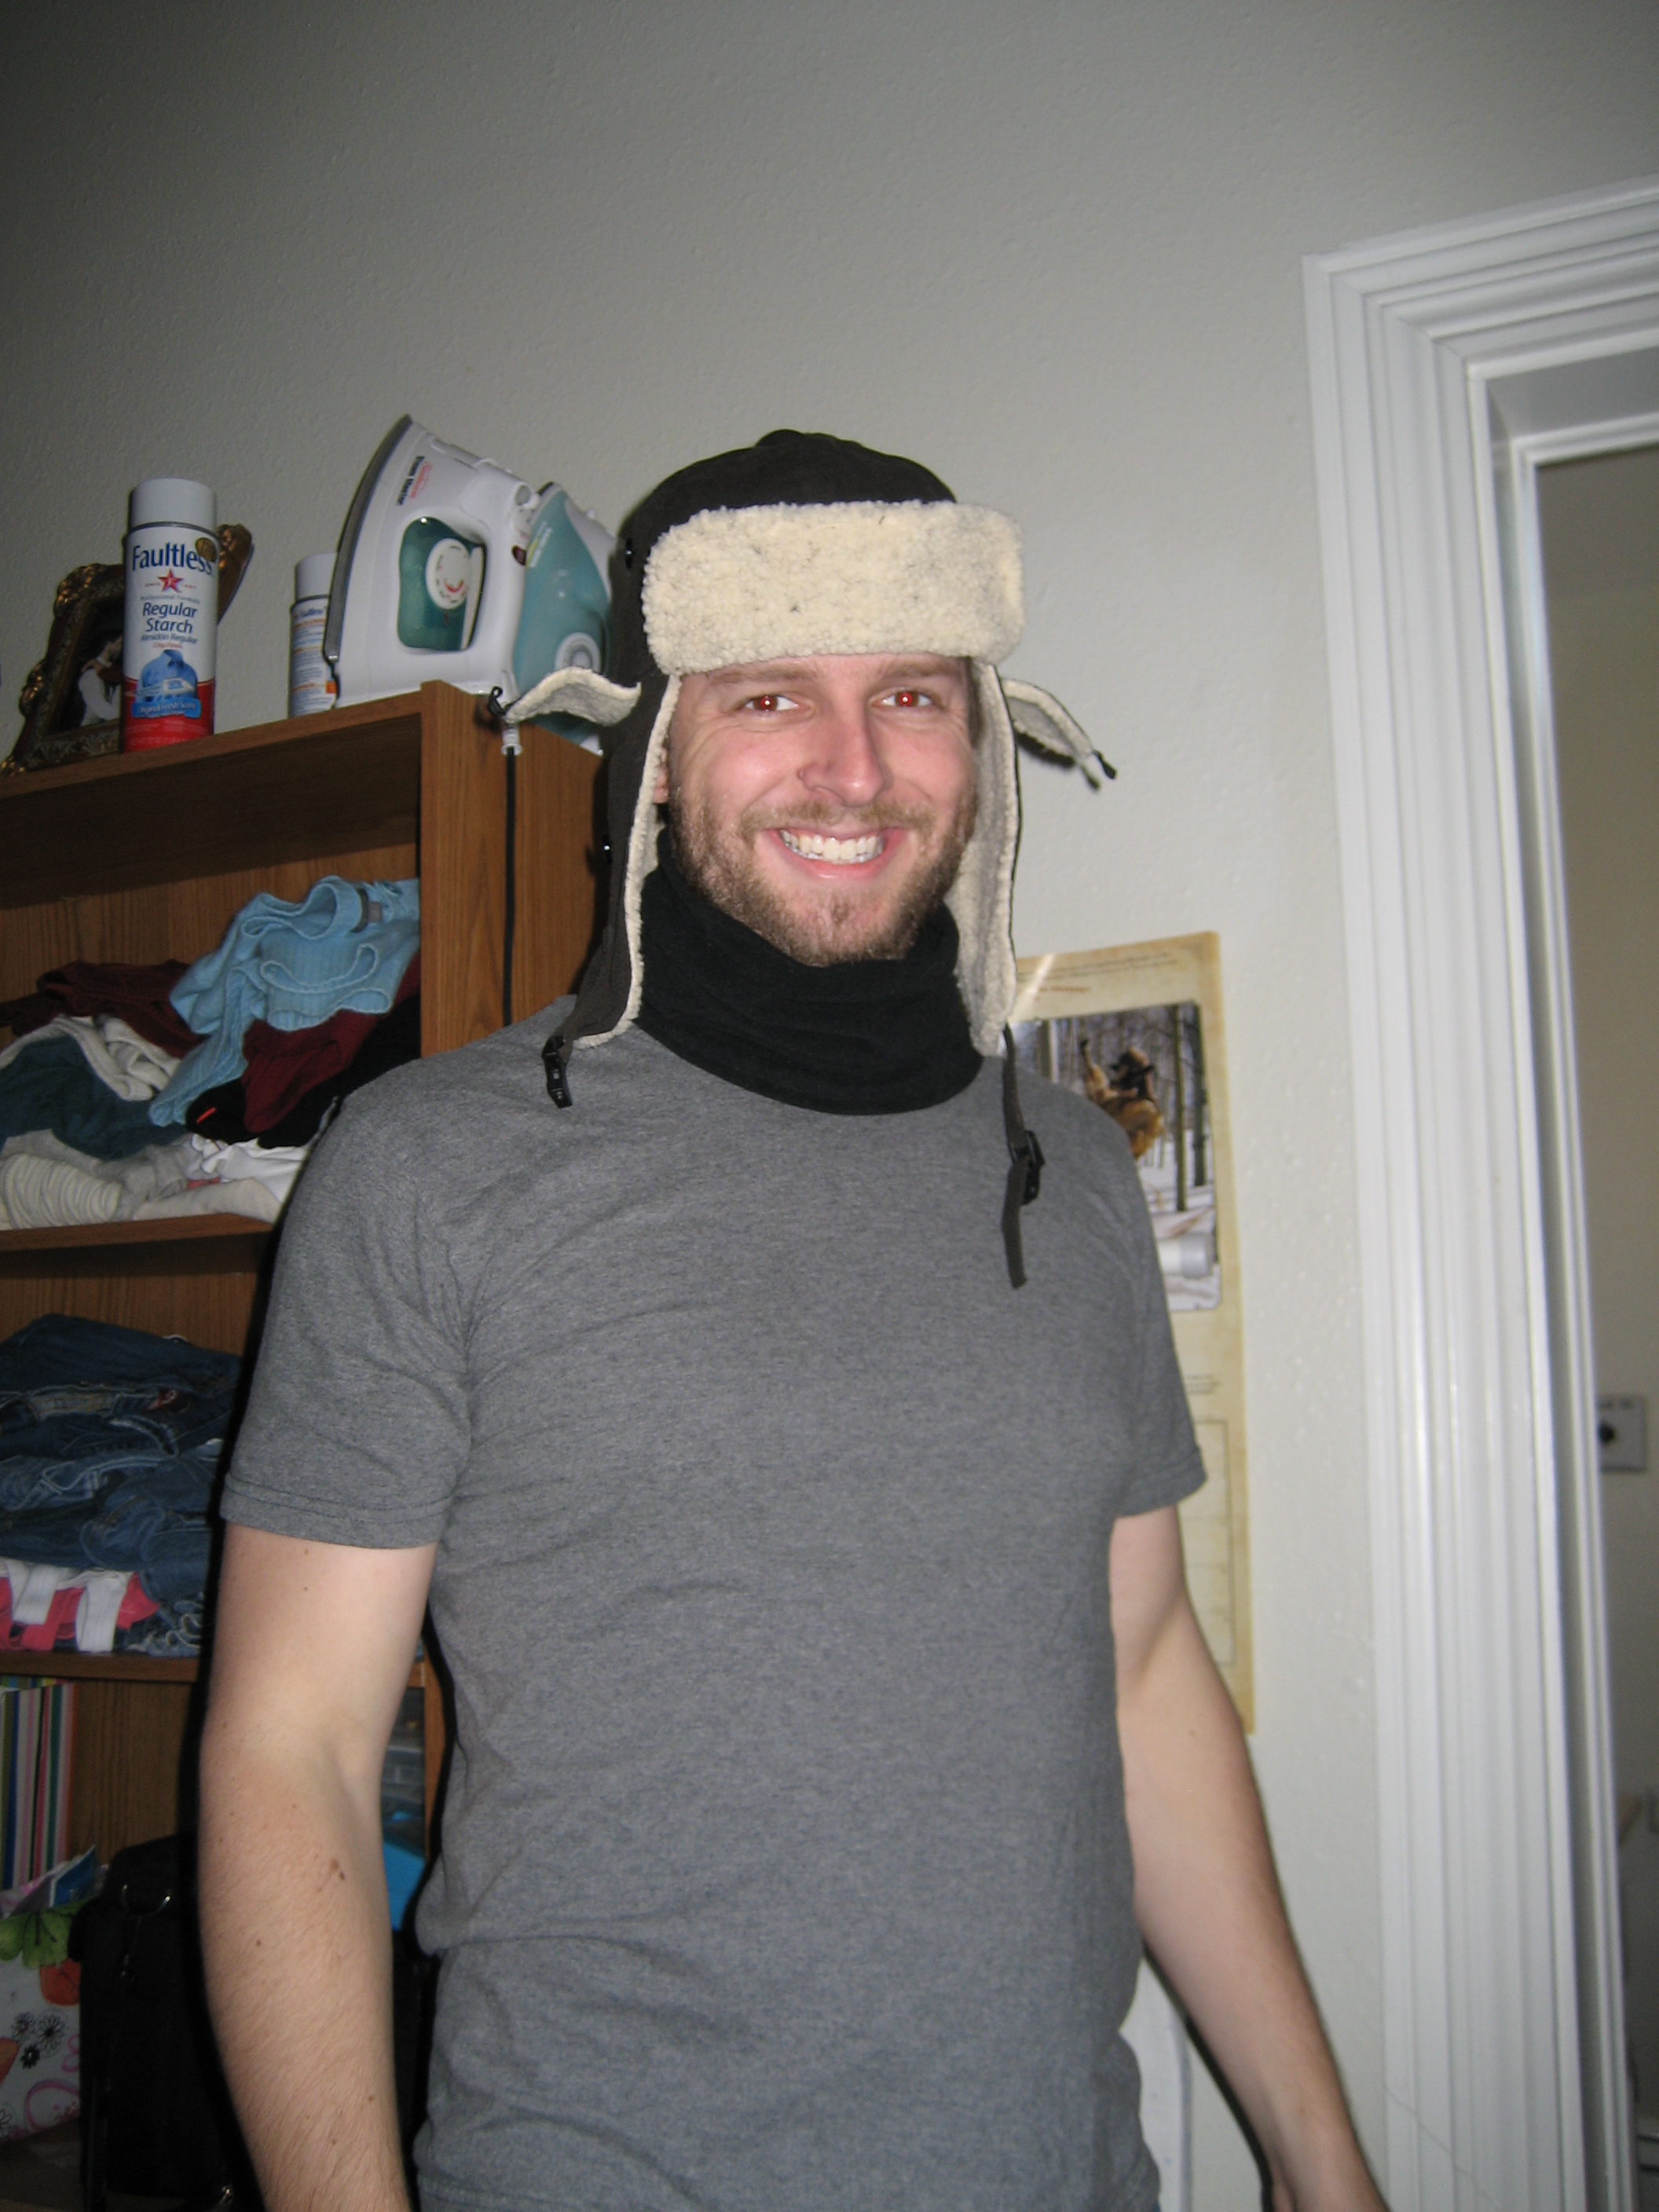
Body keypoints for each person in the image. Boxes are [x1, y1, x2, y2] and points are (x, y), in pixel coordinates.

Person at [199, 430, 1385, 2212]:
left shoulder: (1069, 1171)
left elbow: (1145, 1671)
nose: (854, 765)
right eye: (770, 694)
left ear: (981, 736)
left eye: (912, 693)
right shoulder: (434, 1169)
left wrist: (1320, 2154)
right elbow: (288, 1750)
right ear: (657, 751)